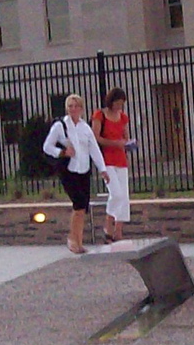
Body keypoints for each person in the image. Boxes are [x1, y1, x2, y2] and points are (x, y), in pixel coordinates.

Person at [43, 94, 106, 254]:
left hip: (84, 170)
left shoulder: (86, 128)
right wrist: (62, 152)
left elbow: (94, 149)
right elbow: (47, 146)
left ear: (81, 109)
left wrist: (103, 169)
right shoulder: (60, 126)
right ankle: (73, 239)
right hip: (69, 170)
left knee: (83, 208)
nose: (73, 109)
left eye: (75, 106)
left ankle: (78, 241)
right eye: (70, 106)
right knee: (78, 204)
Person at [91, 87, 133, 242]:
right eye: (117, 103)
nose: (119, 106)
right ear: (111, 101)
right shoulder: (100, 115)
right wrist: (114, 143)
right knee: (116, 193)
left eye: (121, 104)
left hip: (121, 159)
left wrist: (127, 144)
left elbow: (125, 136)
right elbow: (96, 137)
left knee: (124, 196)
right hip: (107, 159)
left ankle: (118, 230)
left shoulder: (122, 117)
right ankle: (108, 223)